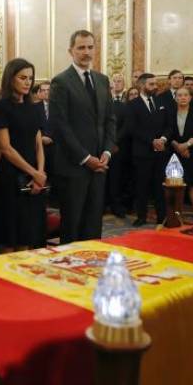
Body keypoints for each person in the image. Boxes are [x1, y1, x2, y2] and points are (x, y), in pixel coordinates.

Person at [48, 30, 116, 243]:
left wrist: (106, 151)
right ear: (71, 51)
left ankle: (92, 265)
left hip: (100, 166)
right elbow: (61, 127)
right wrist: (86, 159)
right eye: (81, 48)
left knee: (94, 223)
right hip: (73, 166)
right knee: (73, 224)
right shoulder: (60, 82)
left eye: (90, 47)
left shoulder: (102, 80)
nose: (86, 52)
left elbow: (109, 119)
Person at [0, 59, 47, 251]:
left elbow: (38, 144)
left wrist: (40, 173)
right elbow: (6, 148)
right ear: (11, 78)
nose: (27, 82)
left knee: (27, 236)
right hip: (10, 177)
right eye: (22, 77)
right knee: (8, 237)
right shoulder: (1, 106)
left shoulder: (34, 107)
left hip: (34, 176)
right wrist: (34, 173)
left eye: (30, 78)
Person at [127, 73, 168, 226]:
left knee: (159, 185)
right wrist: (151, 141)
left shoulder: (161, 101)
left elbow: (169, 125)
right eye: (151, 84)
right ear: (142, 86)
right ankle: (141, 217)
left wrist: (162, 139)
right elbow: (132, 128)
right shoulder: (133, 104)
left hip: (161, 151)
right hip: (142, 152)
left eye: (155, 83)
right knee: (141, 186)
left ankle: (162, 216)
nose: (155, 87)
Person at [166, 87, 193, 224]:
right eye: (179, 95)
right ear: (175, 98)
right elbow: (167, 132)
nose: (182, 97)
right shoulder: (170, 113)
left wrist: (187, 145)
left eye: (185, 95)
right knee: (176, 187)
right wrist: (177, 146)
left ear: (190, 97)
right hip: (174, 154)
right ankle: (177, 218)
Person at [107, 74, 130, 217]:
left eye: (119, 81)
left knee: (117, 177)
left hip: (119, 147)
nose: (116, 84)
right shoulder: (103, 102)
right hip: (104, 147)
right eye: (113, 82)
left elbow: (127, 126)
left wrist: (114, 142)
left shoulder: (126, 103)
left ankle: (116, 205)